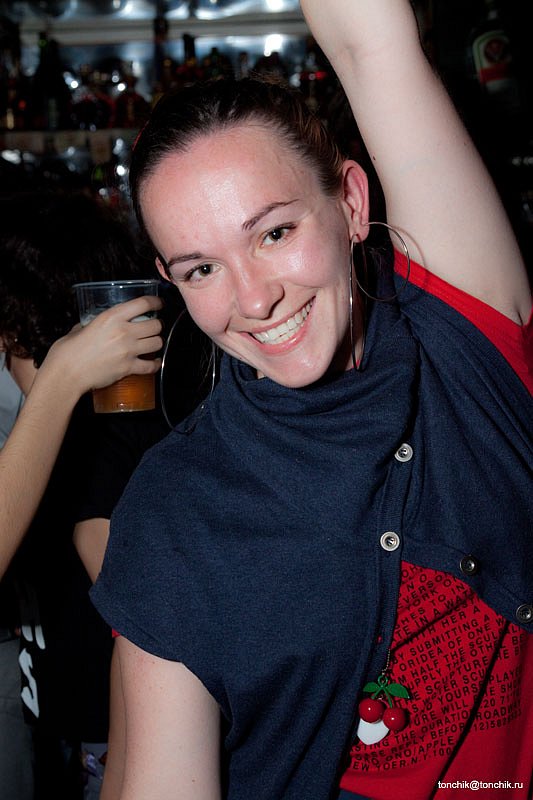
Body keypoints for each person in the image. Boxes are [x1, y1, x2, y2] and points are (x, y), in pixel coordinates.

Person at [91, 1, 533, 799]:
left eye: (273, 233)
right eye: (201, 269)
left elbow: (370, 44)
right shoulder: (175, 508)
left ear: (351, 204)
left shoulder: (463, 355)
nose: (253, 299)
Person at [0, 190, 166, 800]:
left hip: (109, 739)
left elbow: (139, 626)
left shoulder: (90, 434)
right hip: (67, 723)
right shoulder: (53, 428)